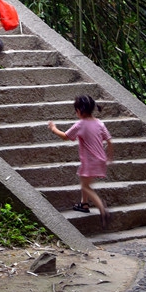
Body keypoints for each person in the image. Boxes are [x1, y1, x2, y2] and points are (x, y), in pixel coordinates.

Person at [48, 94, 113, 227]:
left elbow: (65, 136)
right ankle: (84, 204)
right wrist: (110, 156)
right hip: (100, 159)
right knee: (85, 180)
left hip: (90, 161)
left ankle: (102, 208)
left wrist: (53, 128)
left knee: (85, 186)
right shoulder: (99, 123)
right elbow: (110, 141)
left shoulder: (80, 124)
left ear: (79, 111)